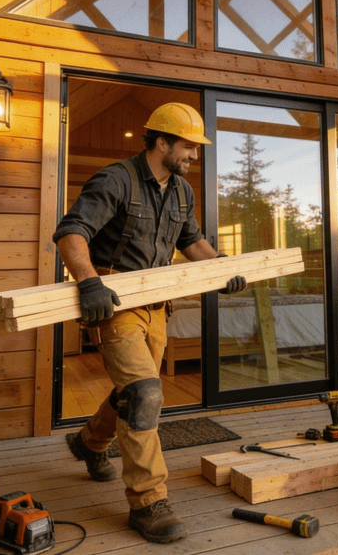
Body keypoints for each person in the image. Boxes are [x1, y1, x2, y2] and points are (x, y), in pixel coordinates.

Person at [53, 102, 246, 544]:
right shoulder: (116, 179)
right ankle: (148, 502)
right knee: (145, 393)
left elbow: (192, 242)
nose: (194, 156)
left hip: (160, 306)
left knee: (133, 391)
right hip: (116, 304)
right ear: (161, 142)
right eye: (188, 146)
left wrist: (221, 270)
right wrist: (88, 283)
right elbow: (72, 231)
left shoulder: (181, 191)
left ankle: (89, 443)